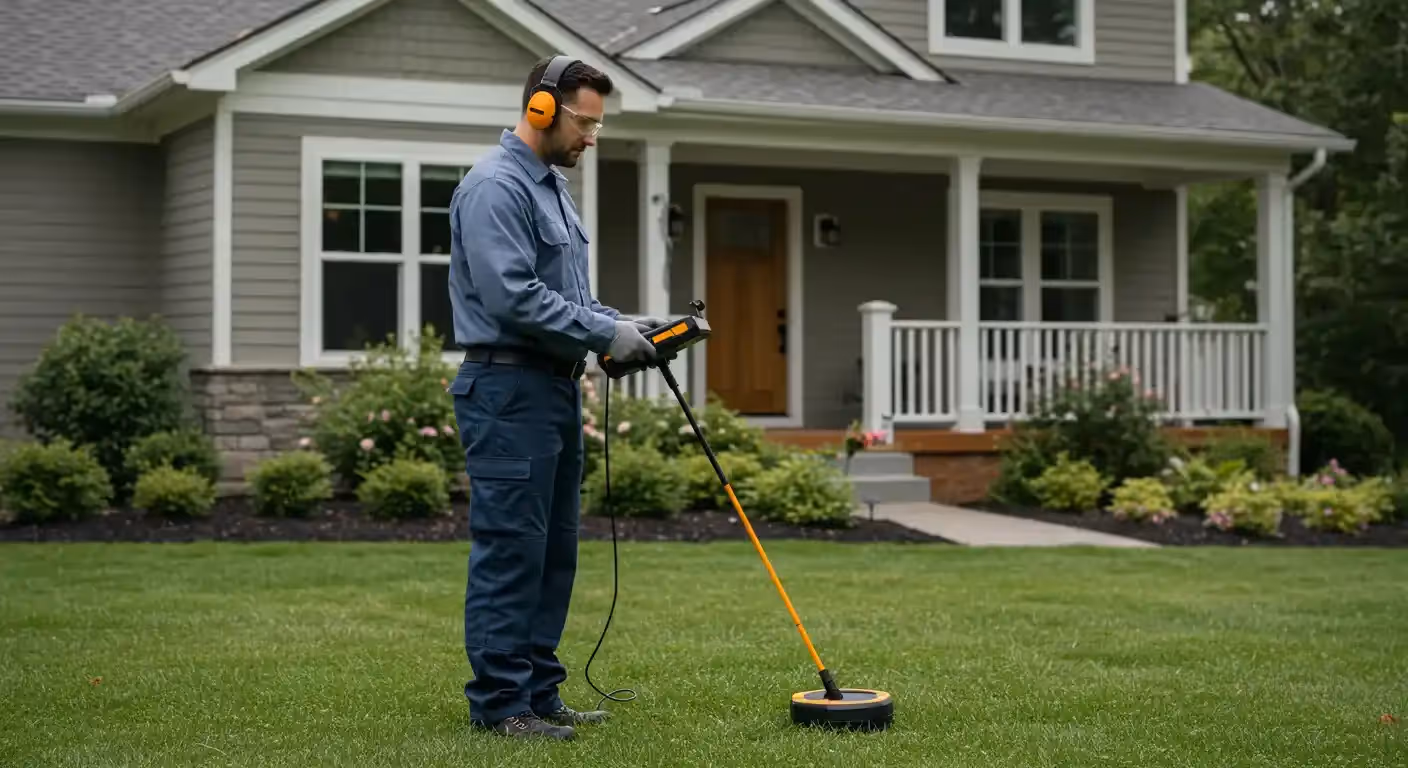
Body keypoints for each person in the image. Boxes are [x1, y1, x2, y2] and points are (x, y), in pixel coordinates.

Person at [445, 55, 664, 741]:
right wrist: (602, 331)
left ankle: (540, 693)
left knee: (554, 551)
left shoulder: (550, 192)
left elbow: (570, 301)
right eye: (585, 123)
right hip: (507, 390)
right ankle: (500, 705)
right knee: (512, 548)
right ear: (542, 108)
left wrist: (631, 326)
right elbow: (513, 297)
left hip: (554, 391)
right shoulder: (494, 187)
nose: (592, 139)